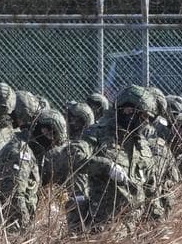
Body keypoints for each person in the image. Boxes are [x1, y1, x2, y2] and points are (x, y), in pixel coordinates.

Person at [68, 85, 160, 233]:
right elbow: (75, 158)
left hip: (134, 230)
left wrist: (156, 227)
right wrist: (106, 166)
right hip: (101, 228)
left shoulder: (142, 146)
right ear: (128, 111)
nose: (146, 123)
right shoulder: (97, 133)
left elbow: (151, 190)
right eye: (143, 117)